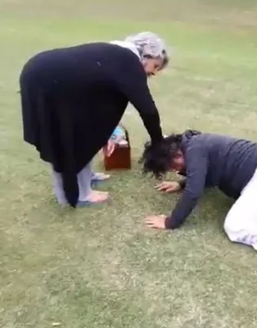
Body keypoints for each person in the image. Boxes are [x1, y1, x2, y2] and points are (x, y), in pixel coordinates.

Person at [19, 32, 169, 207]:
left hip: (45, 74)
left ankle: (85, 177)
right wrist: (158, 141)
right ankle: (78, 195)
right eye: (155, 65)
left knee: (87, 129)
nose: (154, 72)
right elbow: (147, 109)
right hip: (45, 79)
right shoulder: (128, 61)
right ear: (148, 54)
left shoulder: (117, 54)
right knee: (66, 136)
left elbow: (101, 111)